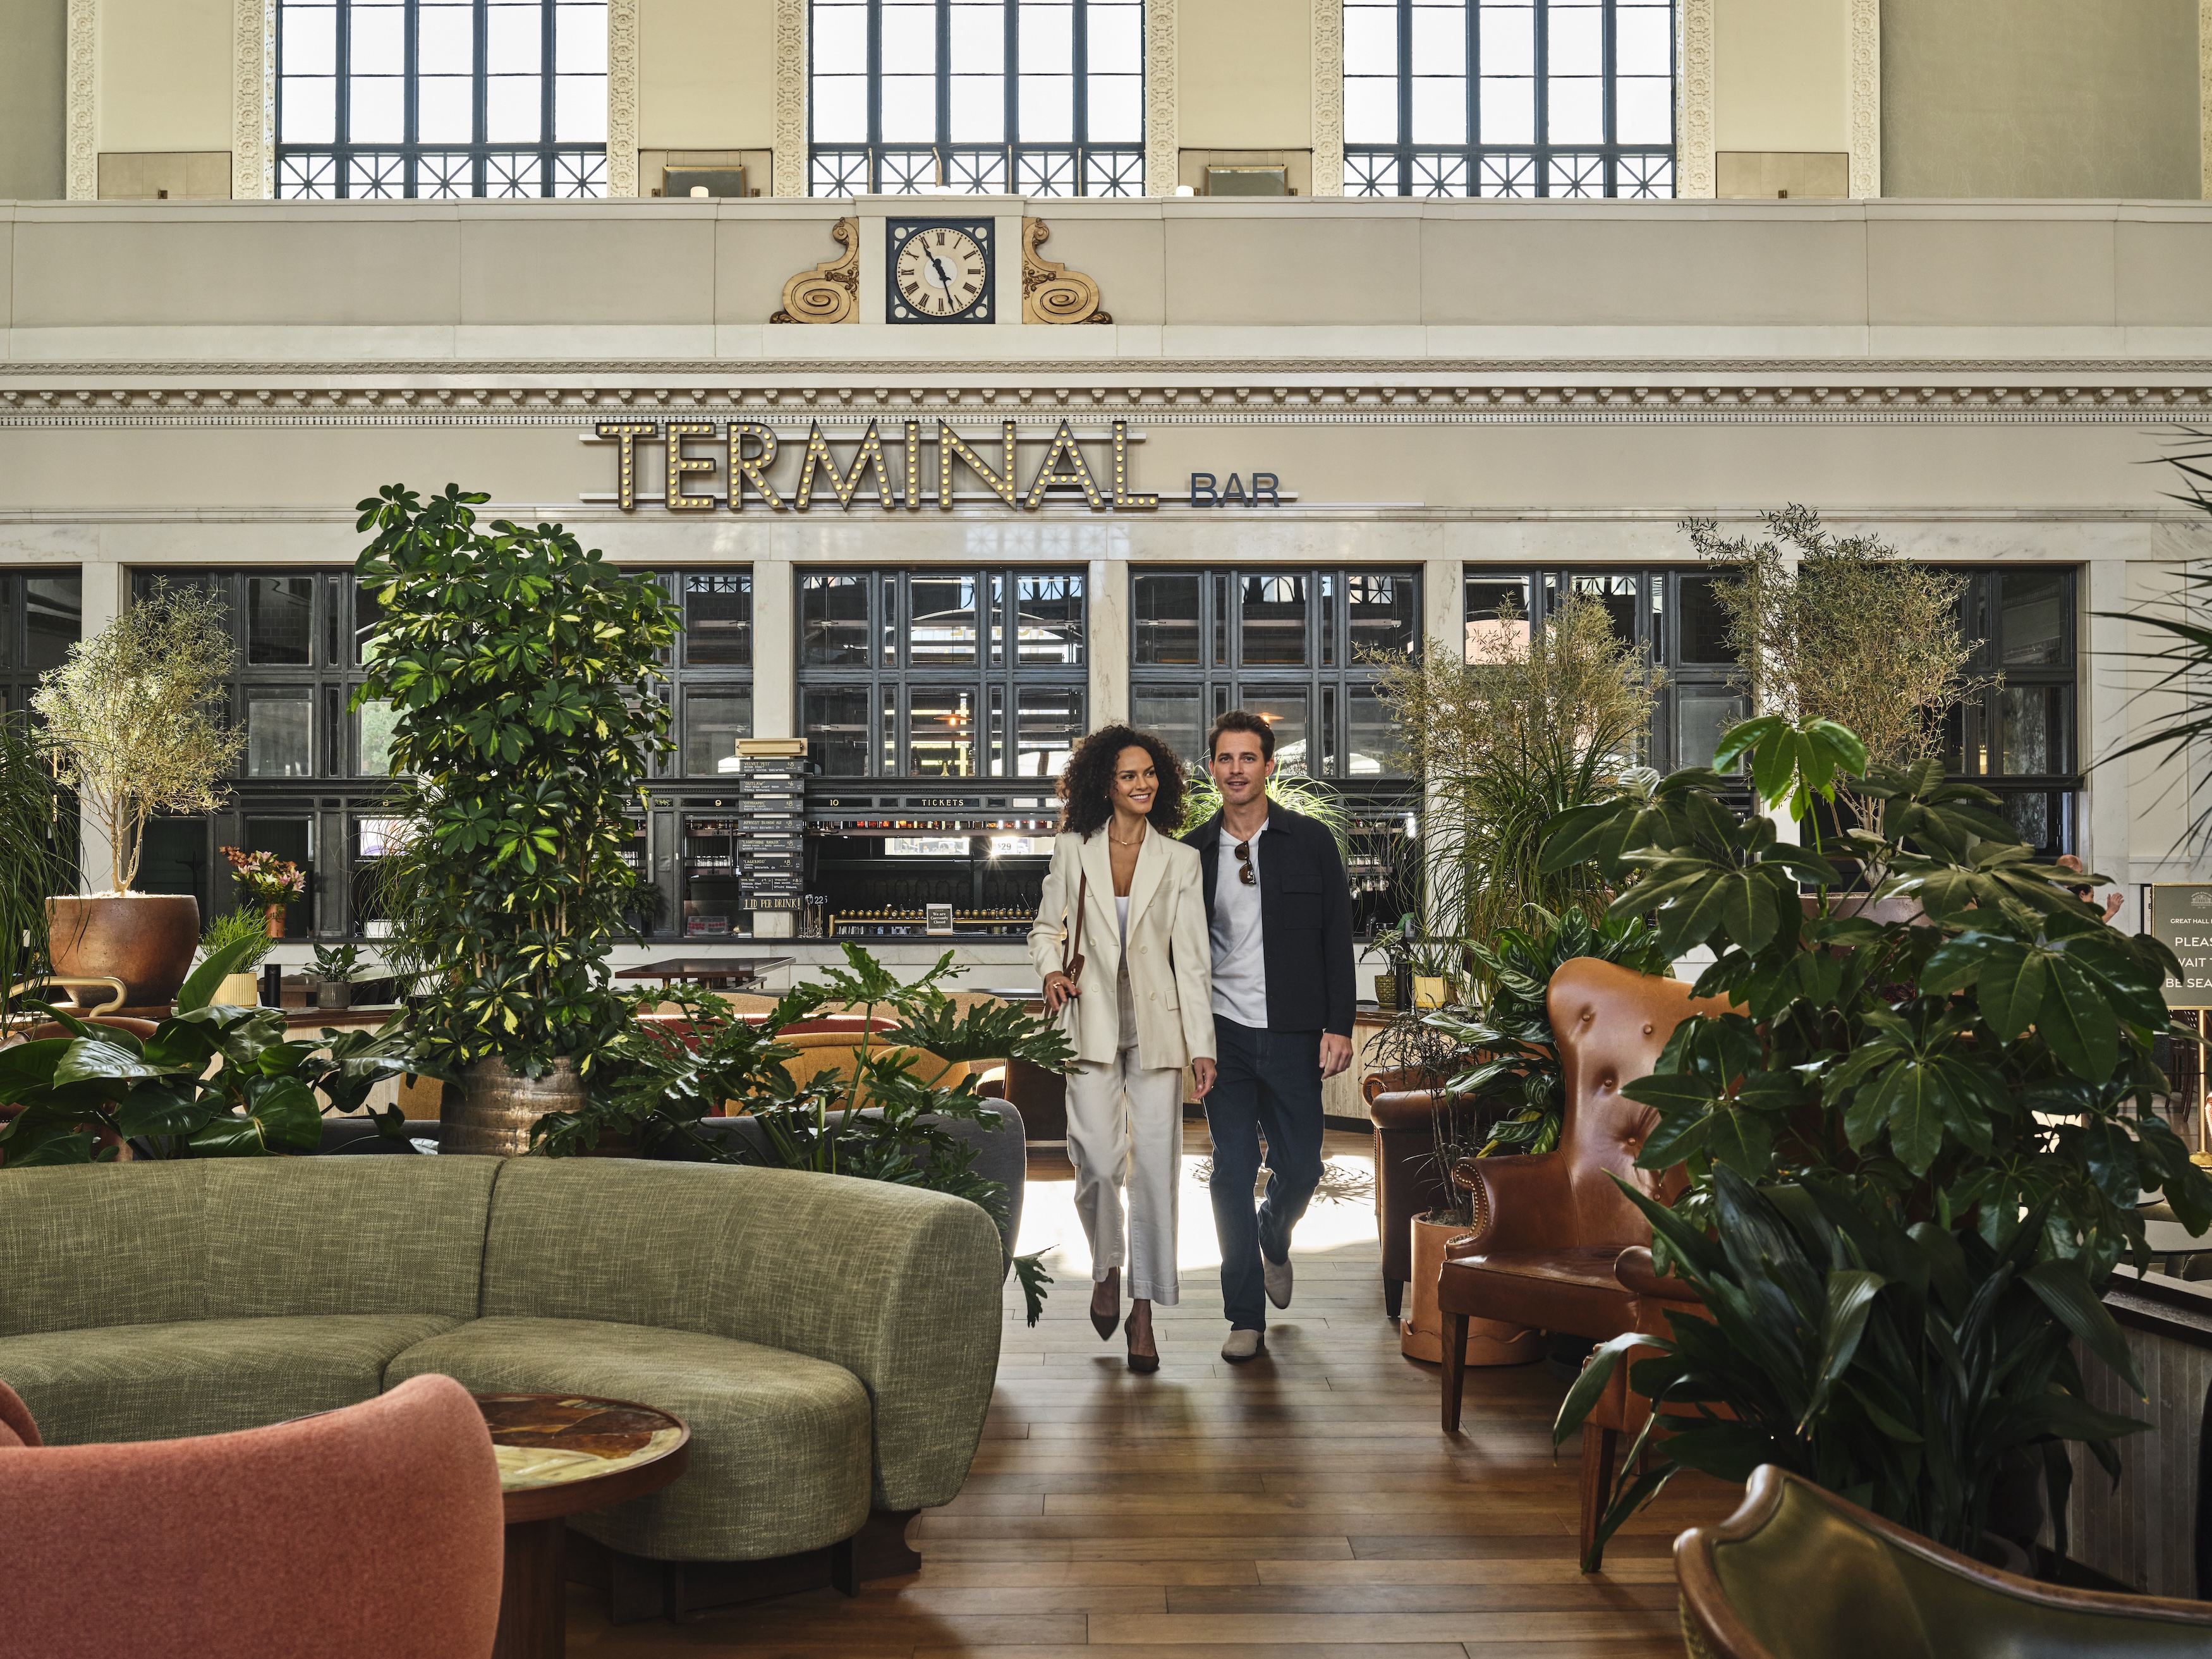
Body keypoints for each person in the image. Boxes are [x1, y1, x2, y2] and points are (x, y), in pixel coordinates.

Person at [1031, 725, 1218, 1373]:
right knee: (1098, 1163)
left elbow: (1192, 961)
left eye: (1149, 774)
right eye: (1128, 776)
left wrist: (1202, 1046)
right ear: (1102, 785)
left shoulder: (1180, 861)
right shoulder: (1071, 849)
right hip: (1088, 1018)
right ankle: (1105, 1267)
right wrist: (1050, 969)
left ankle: (1143, 1309)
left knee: (1155, 1173)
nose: (1143, 785)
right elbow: (1045, 929)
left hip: (1159, 1026)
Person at [1185, 710, 1357, 1363]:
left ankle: (1274, 1233)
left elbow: (1334, 938)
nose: (1235, 770)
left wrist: (1338, 1024)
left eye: (1247, 758)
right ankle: (1243, 1316)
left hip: (1291, 1033)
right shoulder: (1191, 853)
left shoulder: (1309, 841)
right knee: (1230, 1169)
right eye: (1224, 759)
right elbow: (1175, 953)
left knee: (1302, 1166)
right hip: (1221, 1034)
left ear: (1268, 767)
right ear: (1212, 769)